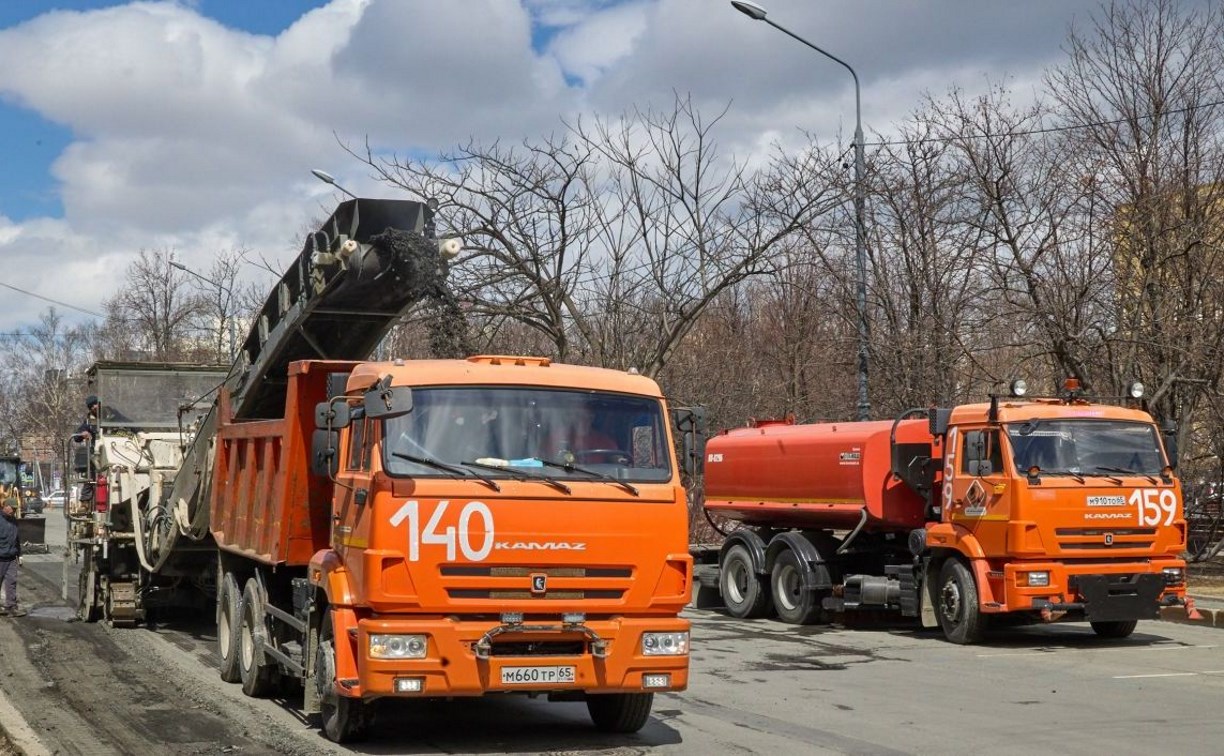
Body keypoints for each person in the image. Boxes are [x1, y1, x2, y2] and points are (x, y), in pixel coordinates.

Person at [0, 500, 24, 617]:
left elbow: (17, 540)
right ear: (5, 506)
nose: (14, 511)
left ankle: (11, 607)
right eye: (12, 508)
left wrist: (20, 555)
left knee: (11, 583)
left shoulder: (14, 521)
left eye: (15, 509)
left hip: (11, 558)